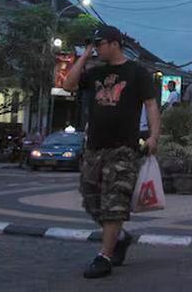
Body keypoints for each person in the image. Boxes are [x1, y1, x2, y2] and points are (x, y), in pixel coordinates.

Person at [62, 25, 160, 280]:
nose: (97, 48)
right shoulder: (96, 73)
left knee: (113, 203)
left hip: (123, 147)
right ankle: (120, 238)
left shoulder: (137, 72)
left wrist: (153, 136)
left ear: (114, 43)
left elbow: (151, 105)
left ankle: (104, 255)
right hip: (94, 146)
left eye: (100, 43)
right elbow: (68, 85)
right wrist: (83, 56)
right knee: (91, 199)